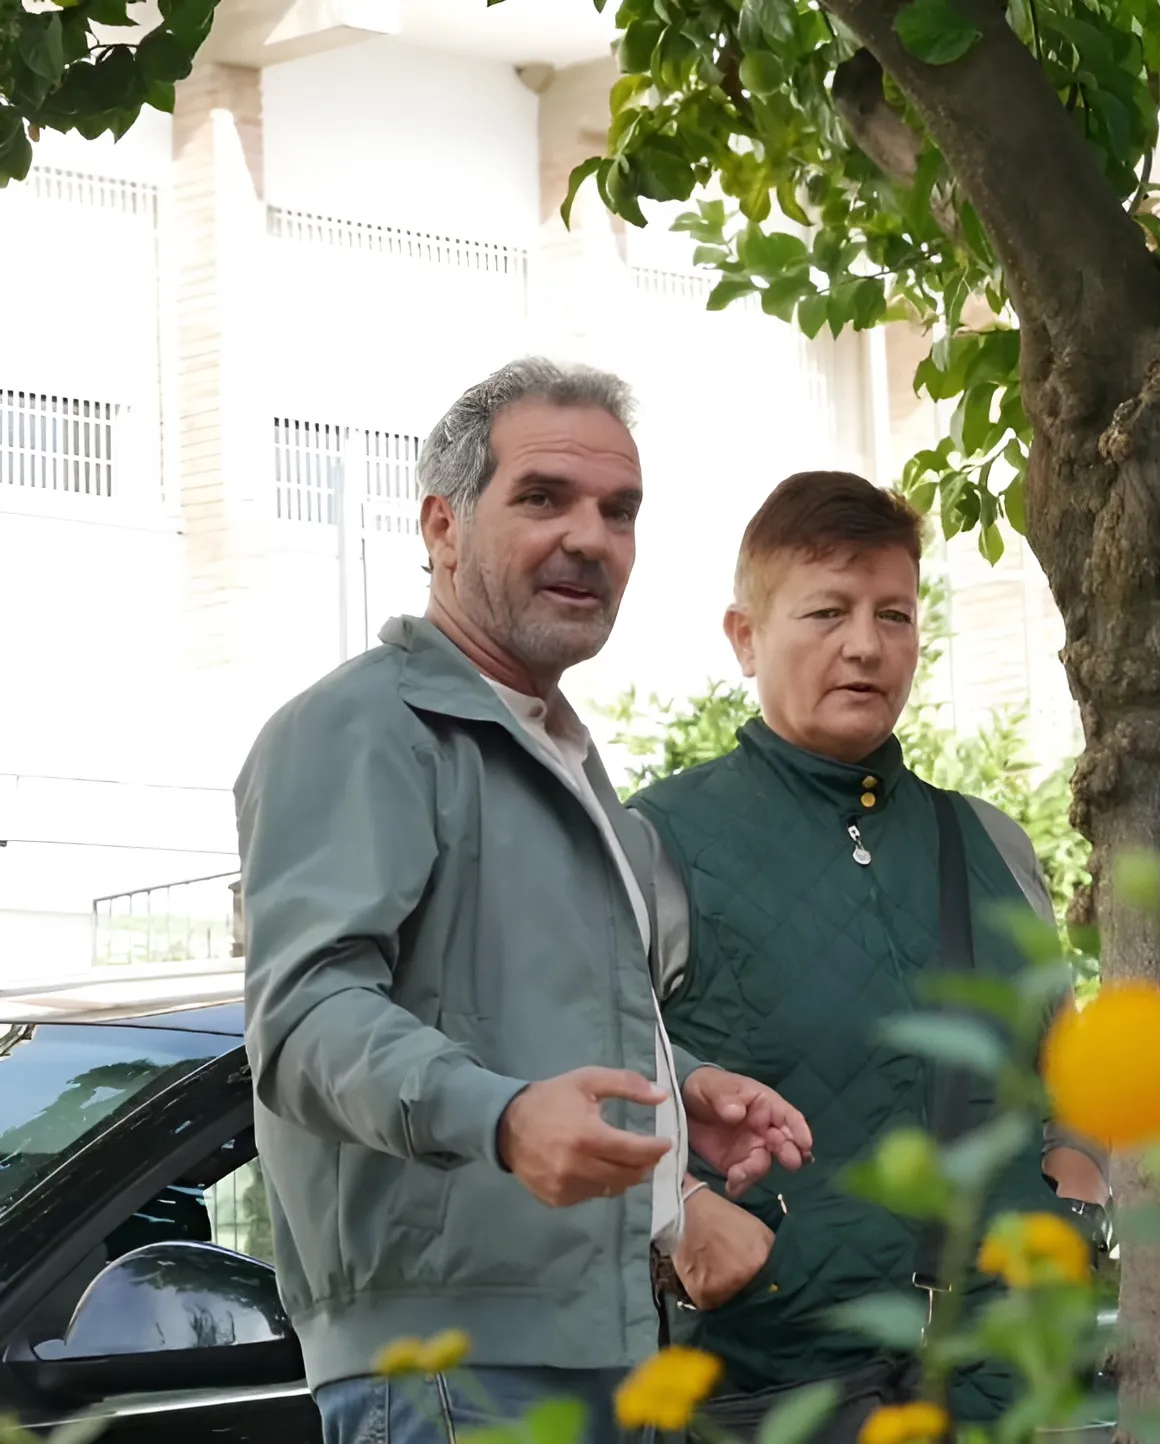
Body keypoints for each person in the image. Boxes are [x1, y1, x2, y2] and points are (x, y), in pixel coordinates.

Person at [237, 359, 814, 1444]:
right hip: (450, 1374)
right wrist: (501, 1120)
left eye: (619, 510)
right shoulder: (363, 727)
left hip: (611, 1347)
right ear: (442, 525)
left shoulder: (563, 756)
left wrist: (671, 1093)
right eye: (543, 497)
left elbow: (514, 1020)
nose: (591, 536)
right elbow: (305, 1021)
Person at [630, 470, 1106, 1441]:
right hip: (778, 1385)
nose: (865, 644)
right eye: (826, 611)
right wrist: (680, 1208)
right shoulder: (655, 842)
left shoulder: (985, 840)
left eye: (894, 613)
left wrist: (1077, 1185)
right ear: (743, 636)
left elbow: (1066, 1060)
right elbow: (596, 1065)